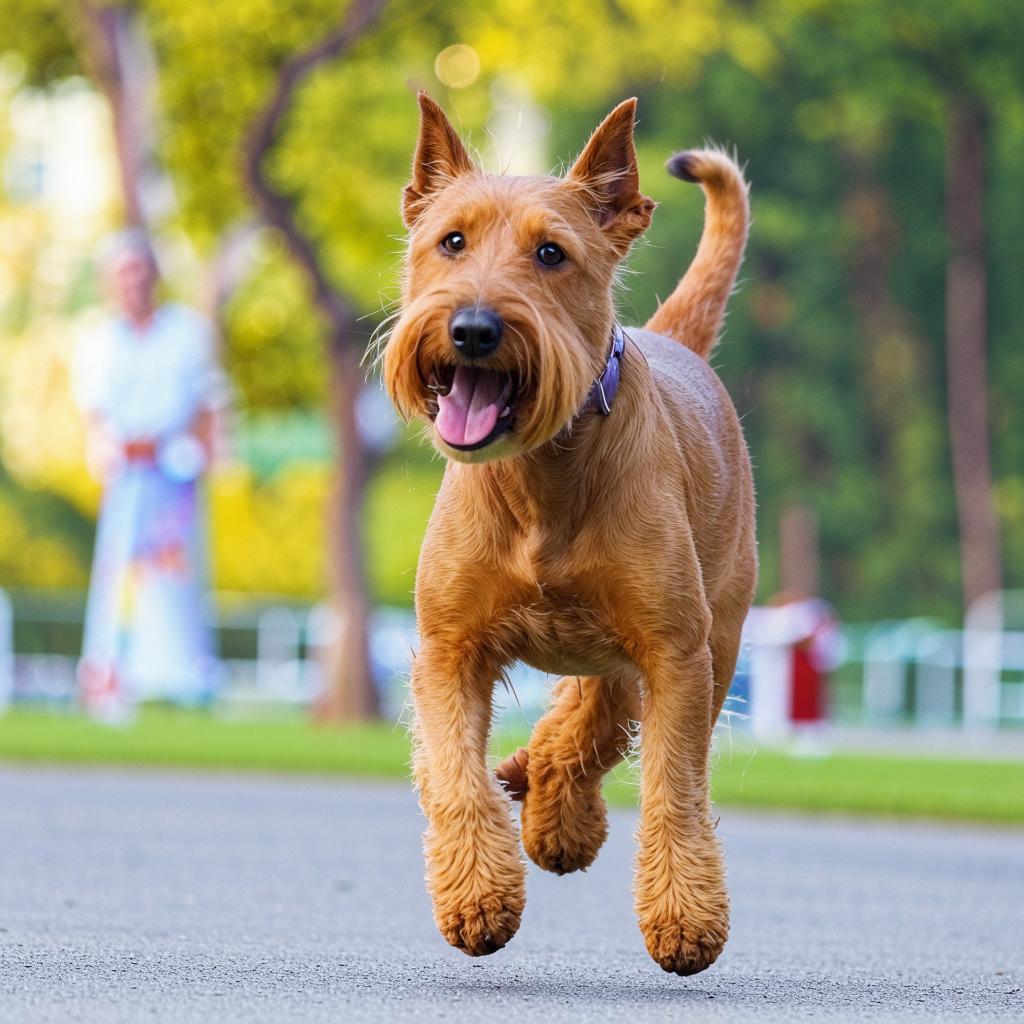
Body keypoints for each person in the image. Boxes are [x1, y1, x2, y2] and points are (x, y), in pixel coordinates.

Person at [73, 230, 225, 719]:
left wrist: (201, 460)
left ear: (155, 276)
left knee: (176, 576)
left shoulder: (186, 333)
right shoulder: (98, 342)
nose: (132, 282)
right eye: (122, 274)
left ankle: (186, 679)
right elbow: (94, 416)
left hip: (172, 472)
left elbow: (207, 406)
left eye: (139, 271)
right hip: (126, 476)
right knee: (119, 579)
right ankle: (108, 675)